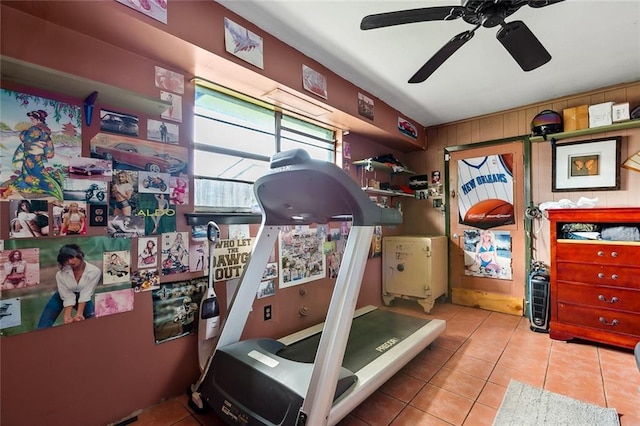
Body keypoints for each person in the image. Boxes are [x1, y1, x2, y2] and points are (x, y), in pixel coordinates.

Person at [37, 244, 101, 327]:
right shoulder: (61, 274)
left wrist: (79, 314)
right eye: (66, 260)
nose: (70, 262)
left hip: (83, 297)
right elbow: (67, 295)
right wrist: (67, 316)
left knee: (93, 323)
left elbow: (86, 293)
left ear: (79, 255)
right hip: (61, 296)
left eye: (71, 258)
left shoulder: (94, 271)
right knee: (43, 326)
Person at [11, 109, 61, 198]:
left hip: (31, 153)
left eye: (32, 119)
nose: (31, 120)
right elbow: (49, 145)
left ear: (38, 119)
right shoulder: (45, 130)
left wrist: (24, 132)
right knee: (38, 169)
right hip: (38, 154)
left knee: (31, 170)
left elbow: (25, 138)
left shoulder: (35, 128)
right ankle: (48, 185)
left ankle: (37, 186)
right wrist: (47, 152)